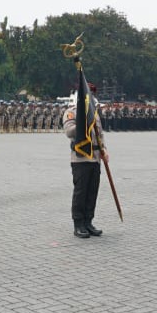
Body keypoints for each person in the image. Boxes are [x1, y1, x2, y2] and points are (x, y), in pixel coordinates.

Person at [63, 82, 107, 238]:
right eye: (88, 94)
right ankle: (78, 224)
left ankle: (88, 222)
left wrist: (104, 151)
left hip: (95, 158)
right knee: (81, 192)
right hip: (80, 159)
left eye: (93, 94)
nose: (91, 97)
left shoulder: (94, 113)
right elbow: (69, 131)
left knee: (92, 192)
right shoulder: (72, 112)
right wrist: (83, 122)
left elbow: (100, 135)